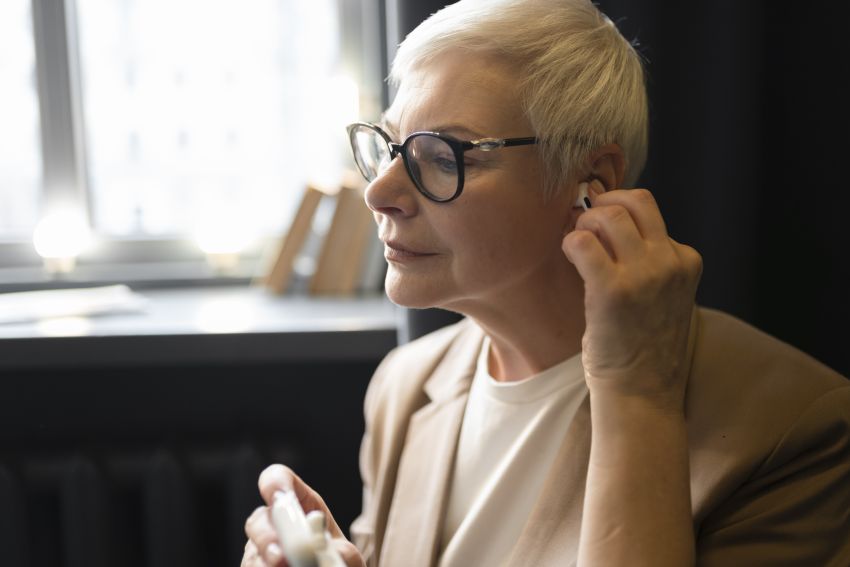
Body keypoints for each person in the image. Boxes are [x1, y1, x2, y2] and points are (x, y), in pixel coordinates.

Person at [242, 0, 850, 565]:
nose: (380, 193)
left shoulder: (798, 429)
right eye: (392, 145)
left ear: (593, 182)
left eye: (445, 154)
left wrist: (636, 394)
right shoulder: (405, 386)